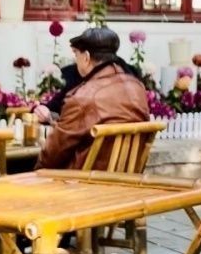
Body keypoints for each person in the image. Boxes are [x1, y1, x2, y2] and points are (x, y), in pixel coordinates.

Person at [37, 27, 150, 170]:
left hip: (83, 180)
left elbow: (51, 156)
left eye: (76, 54)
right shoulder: (137, 88)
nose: (76, 61)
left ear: (86, 57)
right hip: (127, 179)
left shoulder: (83, 97)